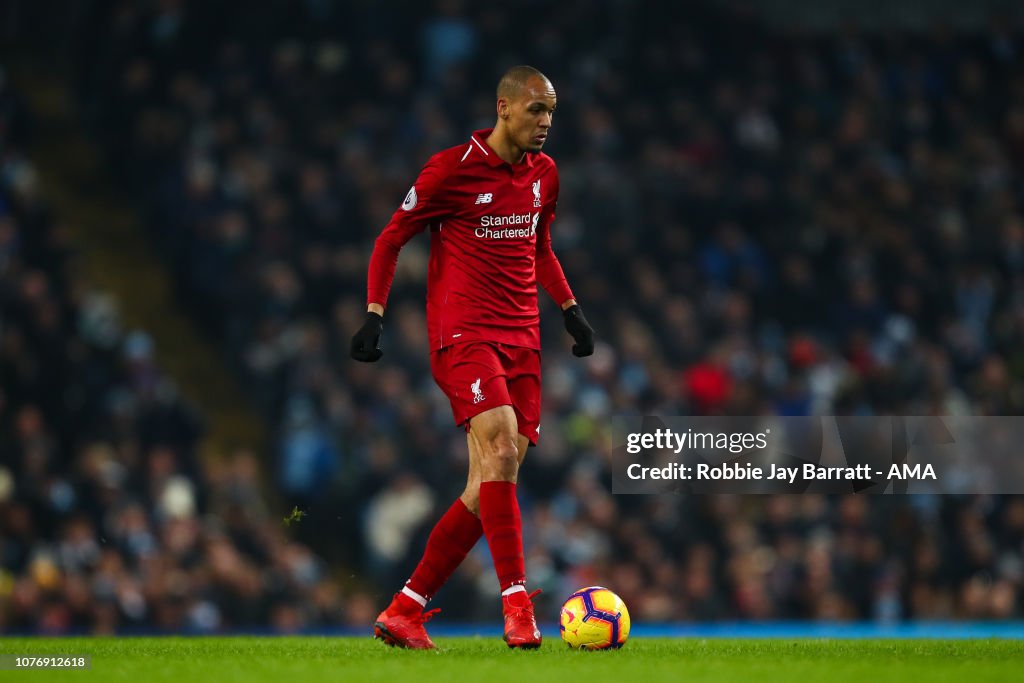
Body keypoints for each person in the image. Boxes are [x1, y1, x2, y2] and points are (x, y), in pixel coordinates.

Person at [350, 65, 594, 649]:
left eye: (552, 113)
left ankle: (405, 608)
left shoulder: (545, 175)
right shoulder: (450, 170)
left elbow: (540, 248)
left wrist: (569, 307)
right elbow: (392, 237)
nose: (546, 123)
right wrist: (375, 313)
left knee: (488, 484)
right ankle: (517, 606)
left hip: (523, 341)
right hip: (464, 336)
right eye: (536, 110)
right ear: (504, 108)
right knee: (503, 444)